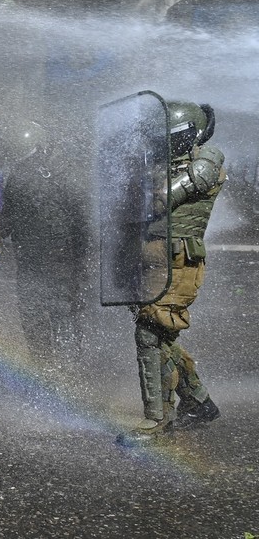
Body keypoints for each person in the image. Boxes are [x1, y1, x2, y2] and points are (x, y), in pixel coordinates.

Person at [118, 101, 224, 445]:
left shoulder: (205, 163)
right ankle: (198, 402)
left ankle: (158, 420)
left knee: (150, 336)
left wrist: (143, 172)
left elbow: (160, 199)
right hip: (153, 260)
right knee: (161, 335)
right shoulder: (166, 164)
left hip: (178, 261)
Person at [0, 121, 90, 372]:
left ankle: (54, 372)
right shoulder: (58, 171)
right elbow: (81, 215)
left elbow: (7, 223)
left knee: (47, 316)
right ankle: (60, 370)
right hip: (49, 260)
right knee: (52, 315)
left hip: (45, 261)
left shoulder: (29, 176)